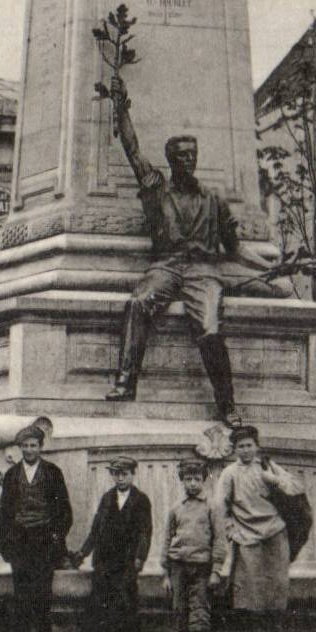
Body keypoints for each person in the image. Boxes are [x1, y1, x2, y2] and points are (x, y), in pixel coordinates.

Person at [107, 68, 240, 424]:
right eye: (181, 156)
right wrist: (120, 107)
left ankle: (227, 404)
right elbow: (132, 149)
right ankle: (126, 380)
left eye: (192, 155)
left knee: (210, 328)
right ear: (171, 160)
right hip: (166, 265)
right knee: (137, 302)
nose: (189, 160)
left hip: (202, 271)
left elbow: (235, 247)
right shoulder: (156, 188)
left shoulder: (213, 198)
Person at [217, 424, 305, 632]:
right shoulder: (229, 474)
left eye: (249, 445)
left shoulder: (267, 466)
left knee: (276, 588)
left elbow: (296, 487)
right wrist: (231, 530)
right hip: (246, 536)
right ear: (234, 449)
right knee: (245, 590)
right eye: (240, 446)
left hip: (275, 533)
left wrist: (274, 480)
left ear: (257, 446)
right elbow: (220, 506)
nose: (245, 450)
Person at [0, 424, 73, 632]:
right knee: (21, 591)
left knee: (43, 591)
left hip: (44, 540)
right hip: (19, 540)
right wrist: (4, 543)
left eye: (33, 446)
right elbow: (5, 513)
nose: (29, 450)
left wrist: (56, 536)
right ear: (20, 448)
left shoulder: (52, 472)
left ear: (40, 447)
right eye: (25, 446)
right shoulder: (11, 476)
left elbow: (64, 510)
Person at [71, 456, 152, 632]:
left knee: (129, 598)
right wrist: (83, 553)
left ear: (133, 474)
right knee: (100, 599)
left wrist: (140, 558)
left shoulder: (141, 499)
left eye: (125, 474)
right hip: (105, 558)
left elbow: (145, 532)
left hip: (127, 559)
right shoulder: (107, 498)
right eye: (116, 474)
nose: (120, 478)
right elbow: (96, 529)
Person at [161, 454, 227, 632]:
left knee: (199, 617)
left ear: (204, 480)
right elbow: (167, 539)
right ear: (182, 480)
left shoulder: (213, 506)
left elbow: (220, 539)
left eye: (196, 478)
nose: (192, 483)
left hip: (202, 568)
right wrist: (166, 573)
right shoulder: (176, 508)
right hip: (178, 566)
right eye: (188, 479)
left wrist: (216, 570)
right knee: (181, 615)